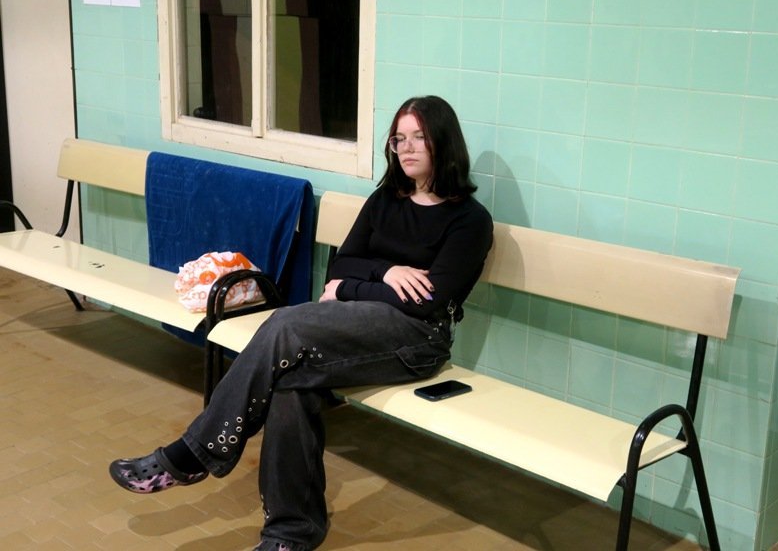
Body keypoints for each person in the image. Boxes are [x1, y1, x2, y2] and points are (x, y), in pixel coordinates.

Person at [108, 95, 494, 551]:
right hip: (358, 327)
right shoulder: (386, 200)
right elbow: (342, 264)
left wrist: (349, 289)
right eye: (398, 139)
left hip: (417, 341)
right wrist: (386, 272)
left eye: (419, 138)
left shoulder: (470, 221)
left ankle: (195, 453)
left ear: (443, 143)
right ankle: (290, 533)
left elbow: (427, 302)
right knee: (290, 384)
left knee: (287, 326)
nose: (406, 148)